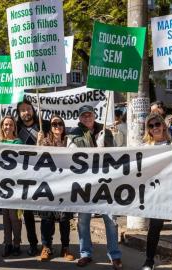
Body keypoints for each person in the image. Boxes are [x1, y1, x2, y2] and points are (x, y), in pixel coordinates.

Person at [67, 105, 122, 269]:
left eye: (89, 115)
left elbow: (116, 153)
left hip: (105, 183)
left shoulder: (106, 131)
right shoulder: (73, 134)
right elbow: (71, 154)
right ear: (79, 118)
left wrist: (106, 142)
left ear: (94, 115)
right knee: (83, 220)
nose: (87, 118)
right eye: (83, 116)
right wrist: (95, 149)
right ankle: (85, 253)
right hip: (84, 183)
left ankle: (115, 255)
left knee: (111, 220)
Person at [141, 113, 172, 270]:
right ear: (148, 130)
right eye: (151, 126)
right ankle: (149, 261)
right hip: (157, 196)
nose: (155, 128)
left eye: (157, 124)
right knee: (154, 229)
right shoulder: (145, 148)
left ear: (163, 125)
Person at [37, 115, 75, 262]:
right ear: (50, 127)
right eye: (54, 124)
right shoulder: (45, 141)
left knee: (64, 219)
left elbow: (78, 154)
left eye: (60, 124)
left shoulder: (68, 141)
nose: (57, 126)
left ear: (63, 126)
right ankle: (46, 247)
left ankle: (65, 248)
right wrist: (38, 143)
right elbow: (36, 158)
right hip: (48, 186)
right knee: (47, 218)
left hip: (65, 186)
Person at [16, 98, 50, 256]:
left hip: (43, 174)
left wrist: (45, 142)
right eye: (22, 110)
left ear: (33, 109)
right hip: (24, 176)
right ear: (18, 113)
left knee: (45, 212)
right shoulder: (15, 127)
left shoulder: (45, 125)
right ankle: (32, 243)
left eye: (28, 109)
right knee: (28, 214)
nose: (25, 112)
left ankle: (46, 244)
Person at [0, 116, 23, 257]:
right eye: (5, 124)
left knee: (15, 217)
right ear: (2, 126)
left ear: (14, 127)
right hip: (2, 186)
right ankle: (7, 244)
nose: (8, 127)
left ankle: (17, 244)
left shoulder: (18, 142)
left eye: (10, 125)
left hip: (16, 185)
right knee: (5, 217)